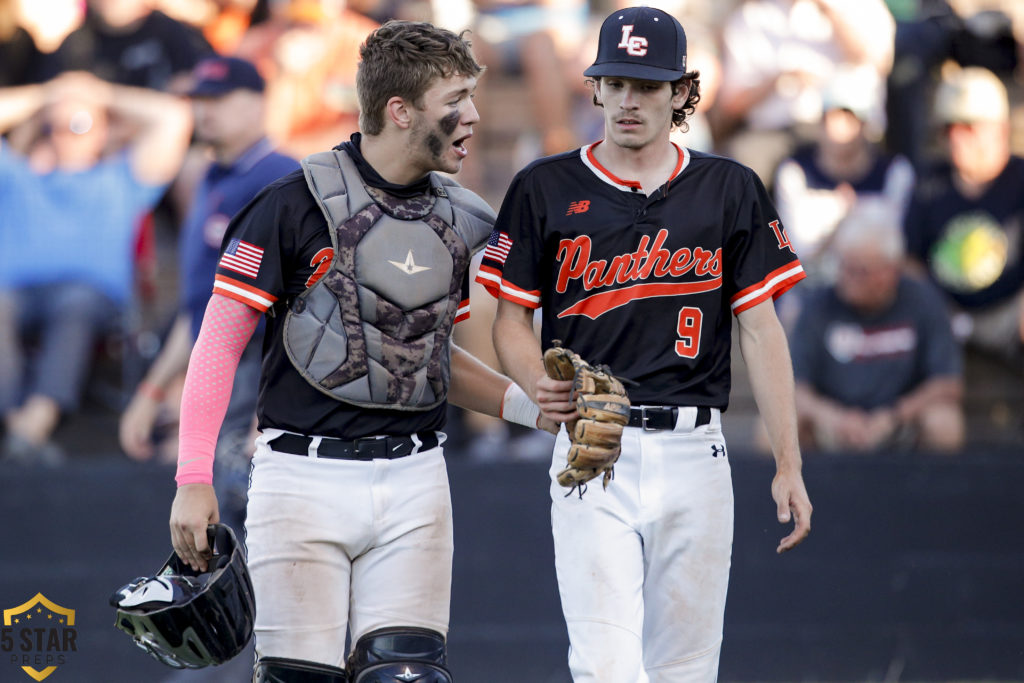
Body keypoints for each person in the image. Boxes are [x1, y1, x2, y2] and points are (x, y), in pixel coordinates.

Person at [167, 20, 552, 681]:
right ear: (399, 111)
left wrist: (536, 410)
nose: (474, 116)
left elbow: (428, 358)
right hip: (301, 476)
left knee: (409, 676)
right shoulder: (289, 204)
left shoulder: (461, 218)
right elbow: (216, 345)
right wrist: (192, 477)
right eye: (456, 99)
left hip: (416, 478)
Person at [478, 7, 813, 681]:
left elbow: (761, 326)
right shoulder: (544, 185)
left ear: (682, 92)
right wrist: (537, 388)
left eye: (650, 85)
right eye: (618, 81)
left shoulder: (728, 186)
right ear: (595, 86)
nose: (631, 99)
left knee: (686, 669)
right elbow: (510, 320)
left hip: (697, 446)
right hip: (594, 443)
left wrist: (789, 459)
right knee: (605, 668)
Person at [118, 56, 298, 535]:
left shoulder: (283, 179)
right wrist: (154, 389)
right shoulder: (209, 178)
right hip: (219, 368)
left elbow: (309, 301)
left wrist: (273, 408)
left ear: (260, 103)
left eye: (219, 99)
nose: (205, 111)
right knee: (219, 525)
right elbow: (201, 307)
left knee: (247, 521)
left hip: (262, 368)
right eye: (199, 100)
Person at [0, 70, 191, 463]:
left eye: (80, 124)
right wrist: (47, 94)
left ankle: (37, 419)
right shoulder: (15, 174)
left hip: (90, 297)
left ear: (104, 129)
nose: (66, 133)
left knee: (76, 303)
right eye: (57, 124)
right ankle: (15, 422)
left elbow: (174, 116)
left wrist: (99, 93)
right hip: (14, 291)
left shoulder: (123, 174)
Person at [790, 204, 965, 453]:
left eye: (860, 271)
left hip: (900, 422)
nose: (847, 278)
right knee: (773, 426)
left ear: (891, 272)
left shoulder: (923, 300)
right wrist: (833, 417)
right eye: (843, 267)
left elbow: (948, 383)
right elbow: (794, 388)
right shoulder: (818, 304)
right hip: (833, 423)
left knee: (944, 423)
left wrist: (894, 415)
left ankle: (933, 492)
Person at [903, 66, 1024, 363]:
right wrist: (935, 308)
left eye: (969, 126)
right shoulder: (928, 183)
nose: (957, 137)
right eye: (949, 128)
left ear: (1001, 129)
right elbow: (909, 260)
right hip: (946, 314)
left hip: (1010, 313)